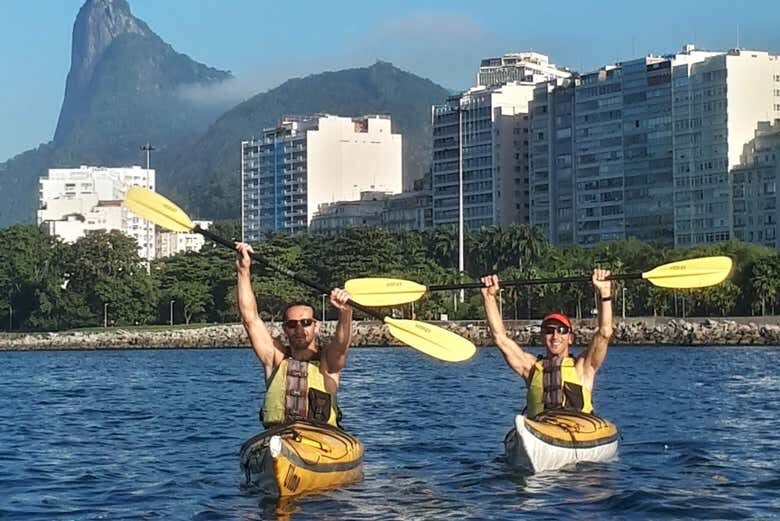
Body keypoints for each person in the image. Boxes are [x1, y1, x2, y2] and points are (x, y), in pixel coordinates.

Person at [235, 242, 353, 428]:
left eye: (306, 323)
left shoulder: (327, 363)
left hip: (321, 437)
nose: (299, 329)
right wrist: (243, 271)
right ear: (285, 329)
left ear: (316, 326)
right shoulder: (275, 358)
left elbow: (341, 345)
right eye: (292, 324)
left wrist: (345, 313)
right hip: (280, 434)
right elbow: (250, 319)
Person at [480, 269, 613, 418]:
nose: (555, 336)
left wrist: (604, 292)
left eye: (562, 330)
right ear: (542, 337)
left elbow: (605, 332)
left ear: (570, 338)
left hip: (578, 426)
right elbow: (500, 339)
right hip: (542, 426)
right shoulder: (531, 368)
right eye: (549, 331)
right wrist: (489, 297)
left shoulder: (584, 367)